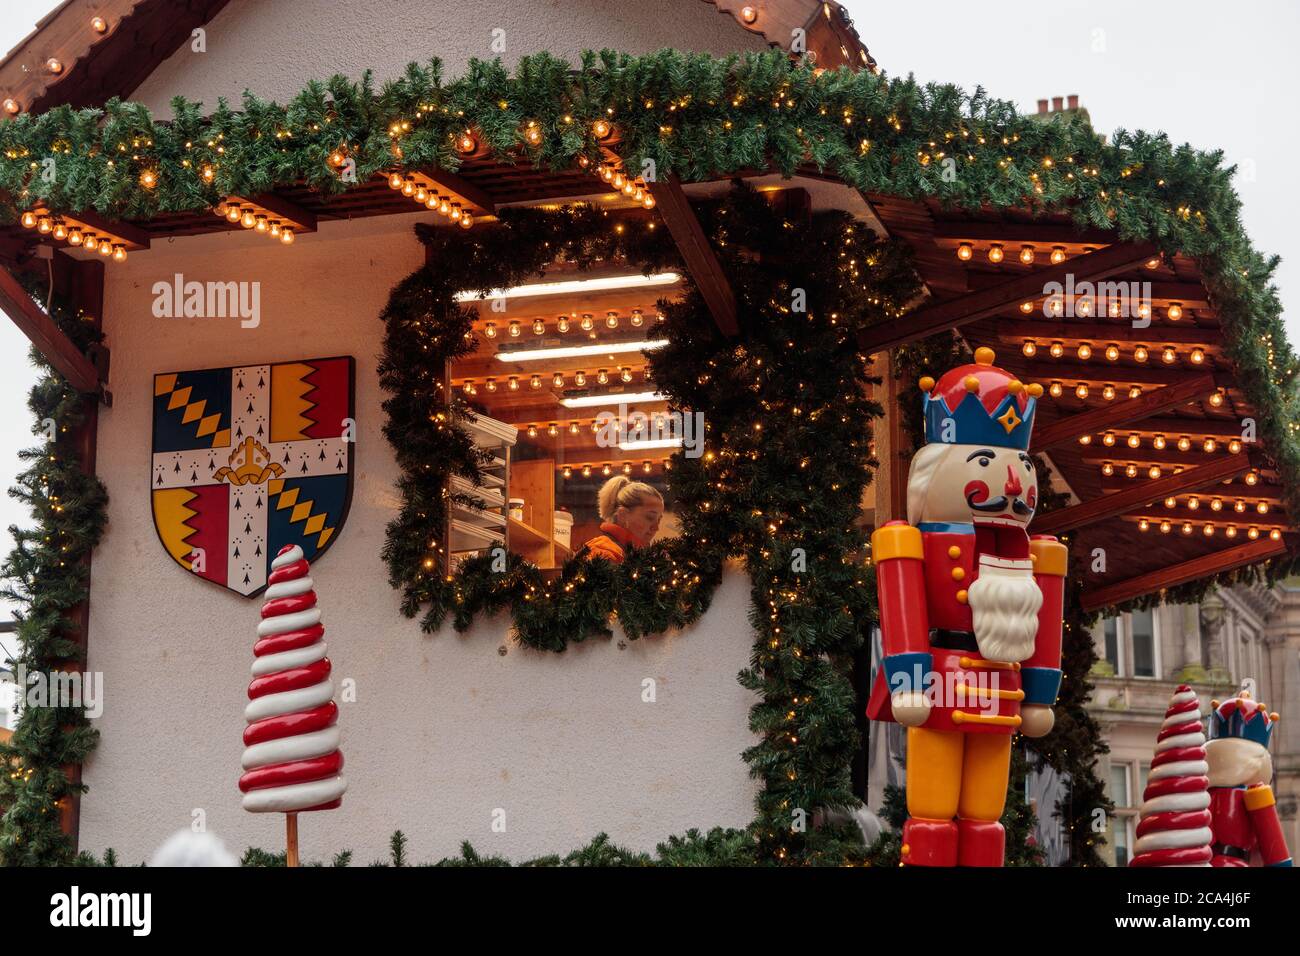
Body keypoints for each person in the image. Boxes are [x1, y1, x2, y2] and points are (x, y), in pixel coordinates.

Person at [583, 476, 663, 563]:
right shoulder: (604, 554)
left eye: (659, 520)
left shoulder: (638, 556)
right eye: (650, 517)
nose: (656, 528)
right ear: (623, 515)